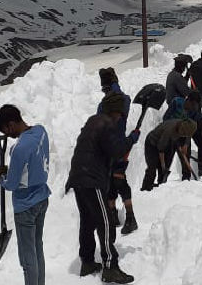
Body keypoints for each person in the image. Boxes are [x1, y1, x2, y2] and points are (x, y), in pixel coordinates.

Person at [66, 92, 140, 284]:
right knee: (105, 222)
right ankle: (110, 266)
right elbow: (116, 151)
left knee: (87, 221)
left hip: (78, 177)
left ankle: (88, 261)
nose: (121, 117)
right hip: (91, 179)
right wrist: (132, 138)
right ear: (115, 111)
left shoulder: (93, 121)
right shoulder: (107, 124)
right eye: (121, 114)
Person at [0, 105, 51, 285]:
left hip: (26, 206)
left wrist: (1, 177)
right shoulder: (41, 132)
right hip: (42, 198)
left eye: (4, 130)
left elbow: (11, 184)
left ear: (10, 125)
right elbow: (31, 164)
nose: (6, 134)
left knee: (27, 257)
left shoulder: (19, 148)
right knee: (37, 247)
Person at [97, 68, 137, 236]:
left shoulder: (107, 103)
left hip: (114, 147)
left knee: (118, 180)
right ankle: (114, 215)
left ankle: (131, 217)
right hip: (119, 145)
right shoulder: (124, 99)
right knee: (113, 181)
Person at [163, 92, 202, 177]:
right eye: (193, 104)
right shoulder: (176, 102)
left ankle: (201, 169)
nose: (194, 107)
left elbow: (193, 125)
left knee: (201, 139)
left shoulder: (193, 109)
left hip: (185, 131)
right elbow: (165, 118)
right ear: (188, 100)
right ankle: (163, 178)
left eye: (196, 105)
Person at [140, 118, 197, 191]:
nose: (184, 136)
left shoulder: (187, 125)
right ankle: (146, 189)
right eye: (183, 134)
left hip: (168, 142)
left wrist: (185, 145)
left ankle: (160, 186)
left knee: (165, 169)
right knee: (152, 168)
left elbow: (189, 134)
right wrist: (163, 166)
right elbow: (161, 150)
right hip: (152, 144)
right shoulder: (169, 131)